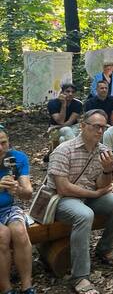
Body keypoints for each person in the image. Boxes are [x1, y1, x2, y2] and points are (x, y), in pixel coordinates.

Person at [48, 110, 113, 294]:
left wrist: (108, 170)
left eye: (104, 127)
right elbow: (62, 188)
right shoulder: (64, 150)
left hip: (89, 195)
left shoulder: (102, 151)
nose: (100, 131)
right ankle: (80, 277)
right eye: (96, 126)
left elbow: (102, 184)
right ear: (83, 126)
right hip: (62, 199)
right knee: (85, 215)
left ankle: (104, 249)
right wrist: (95, 194)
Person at [0, 126, 35, 294]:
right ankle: (6, 289)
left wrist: (17, 188)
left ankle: (27, 286)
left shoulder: (17, 159)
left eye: (3, 143)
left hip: (8, 208)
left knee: (20, 232)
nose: (0, 148)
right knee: (2, 235)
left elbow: (28, 194)